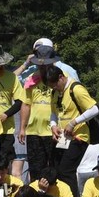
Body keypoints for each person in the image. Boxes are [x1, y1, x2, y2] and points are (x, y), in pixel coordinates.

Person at [45, 65, 99, 197]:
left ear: (61, 77)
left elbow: (94, 109)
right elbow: (53, 113)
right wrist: (53, 126)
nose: (55, 88)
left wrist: (73, 122)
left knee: (66, 170)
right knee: (55, 169)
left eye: (55, 85)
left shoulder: (76, 89)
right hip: (63, 138)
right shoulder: (55, 92)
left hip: (79, 137)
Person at [18, 45, 59, 180]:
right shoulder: (31, 79)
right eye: (40, 65)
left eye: (45, 64)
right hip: (34, 130)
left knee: (55, 167)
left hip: (53, 130)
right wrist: (22, 128)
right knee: (35, 169)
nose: (43, 67)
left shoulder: (60, 78)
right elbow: (26, 104)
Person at [15, 38, 80, 86]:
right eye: (37, 53)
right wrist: (25, 64)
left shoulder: (67, 69)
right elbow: (12, 80)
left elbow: (77, 91)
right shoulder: (33, 70)